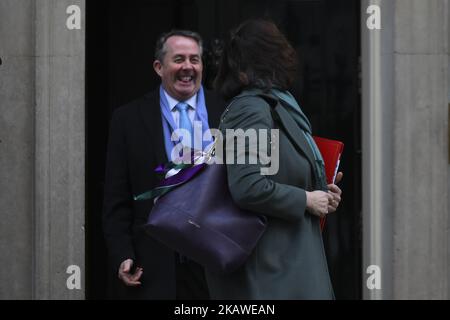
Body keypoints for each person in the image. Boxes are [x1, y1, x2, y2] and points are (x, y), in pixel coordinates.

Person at [205, 19, 343, 299]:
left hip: (287, 269)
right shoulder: (250, 109)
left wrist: (322, 192)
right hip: (270, 277)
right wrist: (306, 199)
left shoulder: (277, 104)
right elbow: (247, 186)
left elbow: (282, 177)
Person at [102, 30, 225, 299]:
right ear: (159, 67)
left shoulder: (228, 111)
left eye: (195, 59)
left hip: (215, 263)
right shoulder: (128, 119)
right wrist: (122, 254)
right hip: (155, 267)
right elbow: (116, 199)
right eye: (178, 59)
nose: (188, 67)